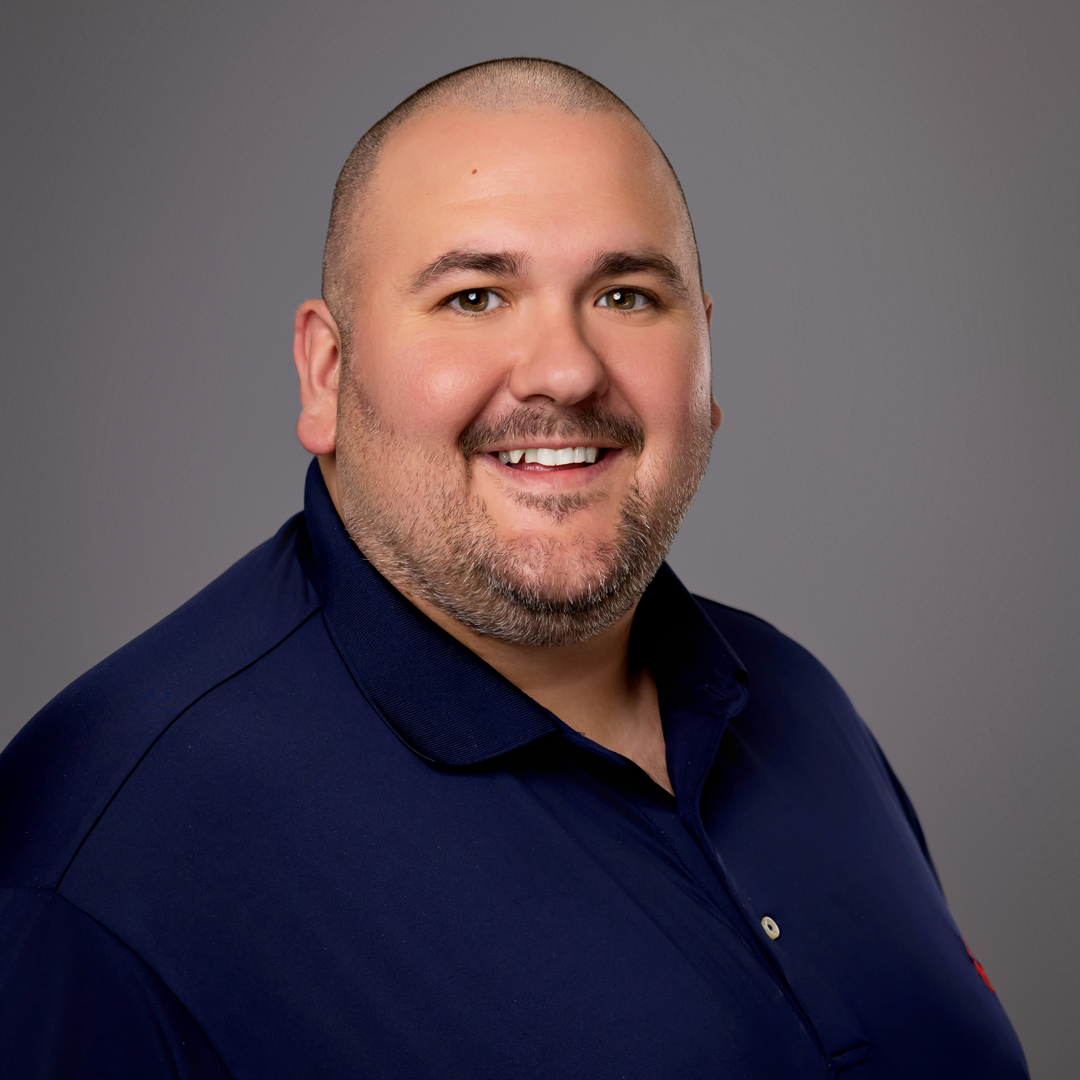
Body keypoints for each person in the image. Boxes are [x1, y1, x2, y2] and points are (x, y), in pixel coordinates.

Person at [0, 58, 1027, 1078]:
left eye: (625, 295)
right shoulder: (100, 873)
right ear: (326, 372)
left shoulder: (799, 701)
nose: (567, 371)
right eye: (476, 296)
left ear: (705, 363)